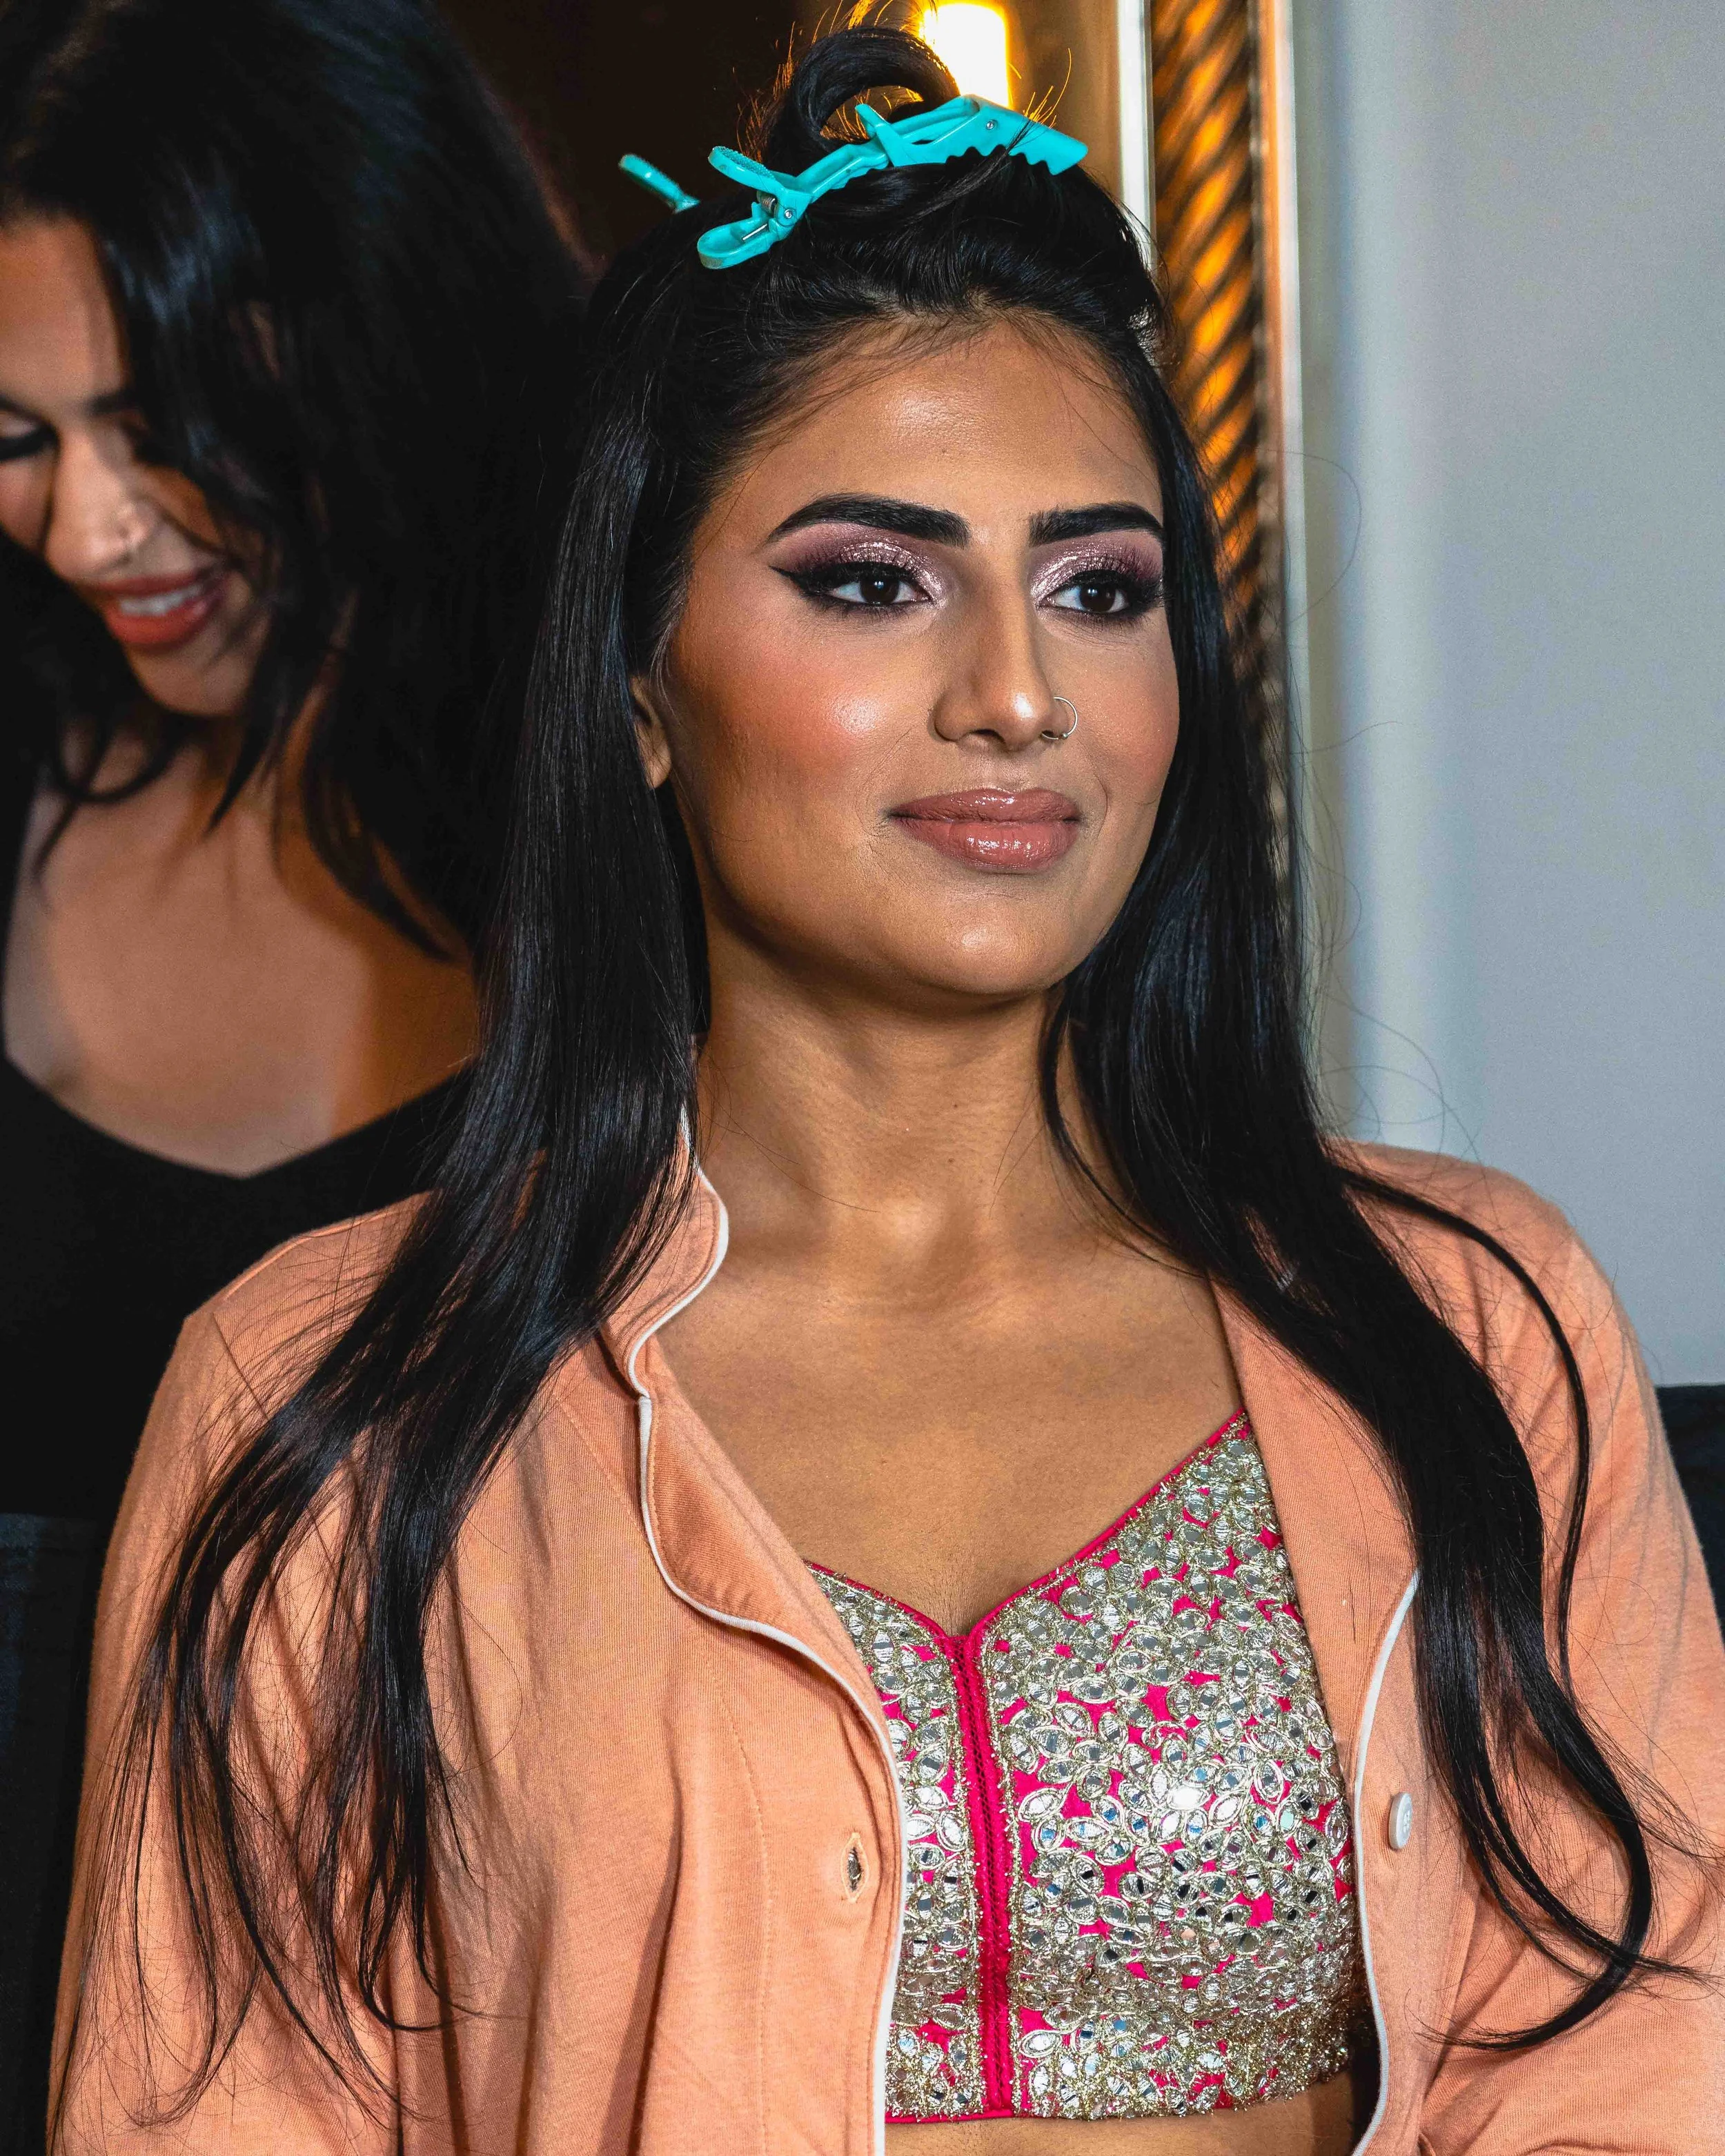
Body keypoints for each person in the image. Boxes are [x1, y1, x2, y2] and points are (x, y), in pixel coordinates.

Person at [53, 26, 1724, 2155]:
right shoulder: (332, 1405)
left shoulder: (1472, 1324)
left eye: (1097, 589)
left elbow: (1641, 2055)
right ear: (639, 682)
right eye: (870, 580)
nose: (1016, 692)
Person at [0, 0, 582, 2142]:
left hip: (482, 1994)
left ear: (388, 339)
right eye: (16, 435)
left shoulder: (639, 819)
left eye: (164, 425)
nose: (89, 529)